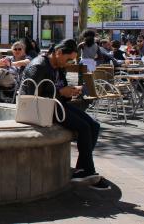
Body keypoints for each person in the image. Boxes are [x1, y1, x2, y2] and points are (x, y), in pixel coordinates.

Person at [22, 39, 109, 190]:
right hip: (41, 109)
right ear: (58, 53)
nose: (69, 62)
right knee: (83, 127)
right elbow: (32, 96)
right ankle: (87, 170)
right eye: (68, 59)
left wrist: (71, 90)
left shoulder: (59, 66)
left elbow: (60, 89)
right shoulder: (38, 66)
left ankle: (83, 169)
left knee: (94, 125)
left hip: (57, 105)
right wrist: (61, 92)